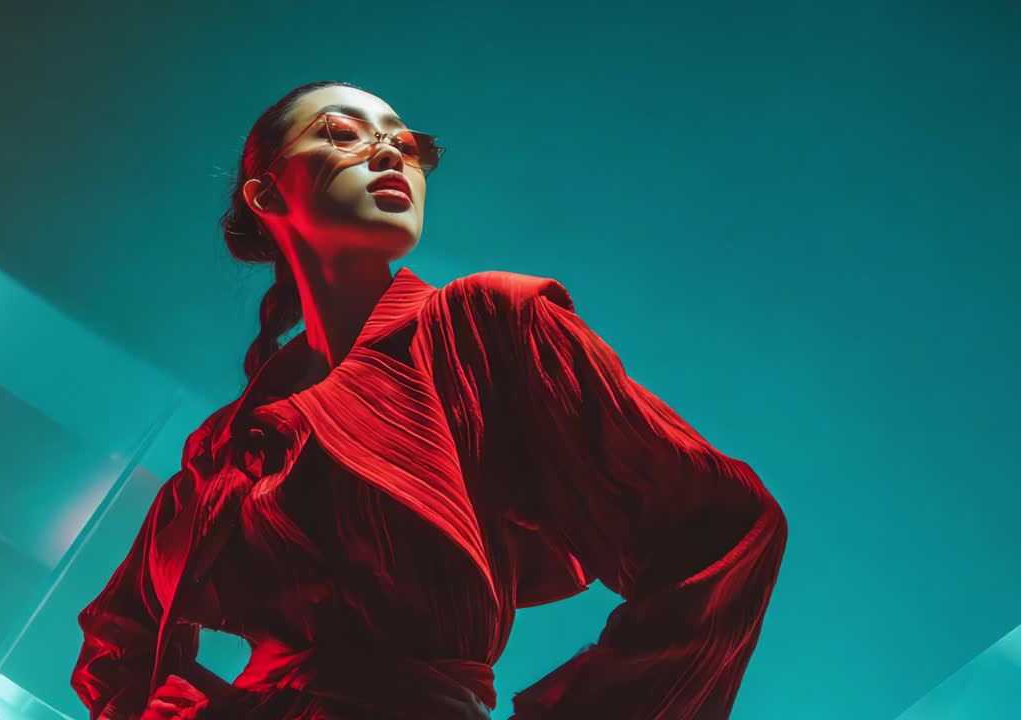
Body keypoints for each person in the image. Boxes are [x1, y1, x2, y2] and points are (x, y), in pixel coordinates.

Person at [70, 80, 788, 720]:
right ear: (266, 194)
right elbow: (117, 640)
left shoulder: (487, 323)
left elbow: (723, 531)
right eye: (344, 135)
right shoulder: (227, 442)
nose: (390, 155)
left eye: (406, 146)